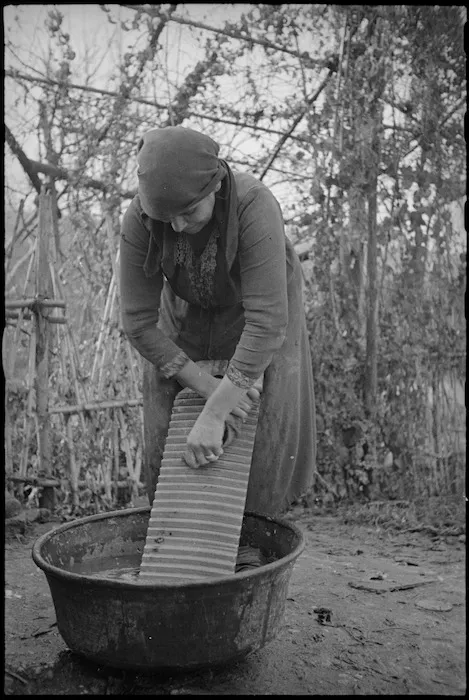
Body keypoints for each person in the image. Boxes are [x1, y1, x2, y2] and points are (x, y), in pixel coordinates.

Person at [119, 125, 316, 517]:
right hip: (190, 300)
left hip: (260, 305)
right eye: (165, 217)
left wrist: (216, 411)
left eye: (188, 211)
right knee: (168, 386)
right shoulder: (142, 218)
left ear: (215, 185)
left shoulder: (253, 204)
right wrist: (205, 386)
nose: (175, 226)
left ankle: (255, 529)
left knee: (263, 401)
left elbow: (267, 323)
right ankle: (174, 526)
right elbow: (138, 323)